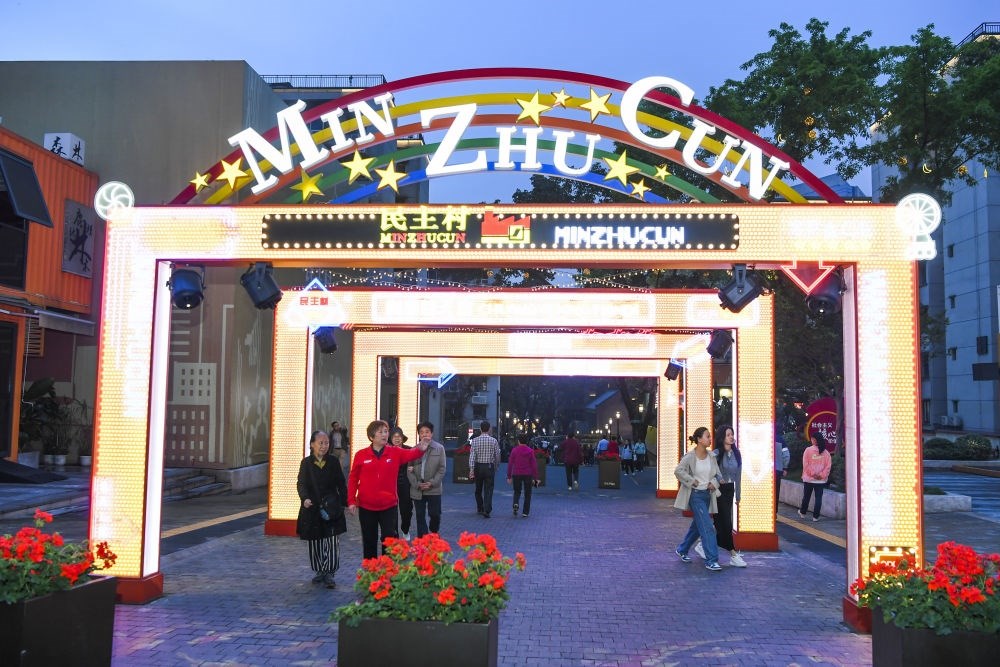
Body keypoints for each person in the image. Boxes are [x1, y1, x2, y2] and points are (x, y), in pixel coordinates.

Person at [347, 420, 428, 560]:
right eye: (380, 432)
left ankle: (387, 568)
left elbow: (411, 454)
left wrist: (421, 448)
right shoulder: (361, 455)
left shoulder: (395, 452)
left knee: (389, 541)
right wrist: (351, 501)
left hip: (389, 506)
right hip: (366, 506)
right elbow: (353, 479)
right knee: (369, 540)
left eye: (386, 431)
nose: (385, 435)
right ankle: (371, 569)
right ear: (371, 437)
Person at [296, 430, 348, 588]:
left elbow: (341, 483)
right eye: (320, 443)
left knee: (332, 540)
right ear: (312, 444)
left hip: (331, 507)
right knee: (315, 540)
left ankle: (330, 572)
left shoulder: (333, 462)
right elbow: (301, 483)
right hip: (312, 507)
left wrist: (344, 503)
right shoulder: (306, 463)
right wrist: (305, 498)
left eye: (326, 443)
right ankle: (319, 570)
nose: (324, 446)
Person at [695, 425, 747, 568]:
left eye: (732, 434)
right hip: (718, 491)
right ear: (722, 437)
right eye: (728, 435)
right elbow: (709, 471)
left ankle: (703, 544)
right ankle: (733, 554)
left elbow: (738, 476)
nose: (731, 437)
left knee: (721, 523)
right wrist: (717, 479)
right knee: (725, 523)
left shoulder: (737, 453)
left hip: (730, 490)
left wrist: (738, 495)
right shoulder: (716, 453)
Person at [673, 426, 724, 571]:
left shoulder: (712, 457)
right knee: (707, 527)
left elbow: (718, 475)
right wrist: (691, 480)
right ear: (699, 439)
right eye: (707, 436)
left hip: (708, 495)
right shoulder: (690, 456)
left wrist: (714, 483)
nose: (710, 439)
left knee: (697, 526)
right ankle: (712, 560)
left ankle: (682, 549)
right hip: (695, 496)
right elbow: (678, 471)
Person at [408, 421, 446, 537]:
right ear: (419, 435)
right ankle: (422, 539)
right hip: (418, 489)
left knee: (435, 514)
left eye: (427, 432)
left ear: (432, 433)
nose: (424, 434)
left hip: (434, 488)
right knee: (420, 516)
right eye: (422, 432)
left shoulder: (439, 448)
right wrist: (417, 484)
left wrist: (432, 483)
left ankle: (433, 532)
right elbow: (409, 470)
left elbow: (442, 468)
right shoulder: (413, 450)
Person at [469, 420, 501, 518]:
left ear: (480, 429)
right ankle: (487, 510)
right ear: (489, 429)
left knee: (478, 489)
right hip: (489, 466)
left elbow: (472, 456)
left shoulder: (475, 441)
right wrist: (496, 466)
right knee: (489, 489)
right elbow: (497, 455)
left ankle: (480, 507)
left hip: (478, 467)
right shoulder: (494, 441)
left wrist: (471, 469)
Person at [798, 432, 832, 522]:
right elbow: (828, 467)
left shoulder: (808, 450)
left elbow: (805, 465)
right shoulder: (826, 453)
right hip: (820, 481)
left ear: (814, 440)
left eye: (812, 439)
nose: (811, 440)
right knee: (818, 498)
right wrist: (821, 475)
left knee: (806, 497)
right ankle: (815, 517)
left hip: (809, 479)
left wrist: (813, 474)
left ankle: (803, 513)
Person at [389, 427, 414, 540]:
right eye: (394, 436)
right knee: (392, 510)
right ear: (391, 439)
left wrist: (413, 468)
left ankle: (405, 529)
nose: (397, 438)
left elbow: (417, 463)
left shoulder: (409, 450)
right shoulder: (387, 451)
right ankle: (395, 534)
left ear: (402, 438)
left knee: (406, 510)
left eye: (399, 436)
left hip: (406, 483)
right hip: (391, 484)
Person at [506, 433, 539, 517]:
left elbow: (510, 464)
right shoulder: (530, 451)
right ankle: (525, 512)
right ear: (526, 441)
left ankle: (516, 503)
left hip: (516, 473)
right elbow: (534, 465)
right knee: (528, 493)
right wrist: (536, 477)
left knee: (517, 491)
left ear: (518, 441)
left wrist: (509, 476)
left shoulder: (514, 450)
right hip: (528, 474)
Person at [774, 432, 790, 510]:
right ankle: (774, 511)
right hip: (777, 470)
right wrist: (785, 468)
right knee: (775, 491)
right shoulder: (780, 439)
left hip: (763, 470)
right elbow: (786, 455)